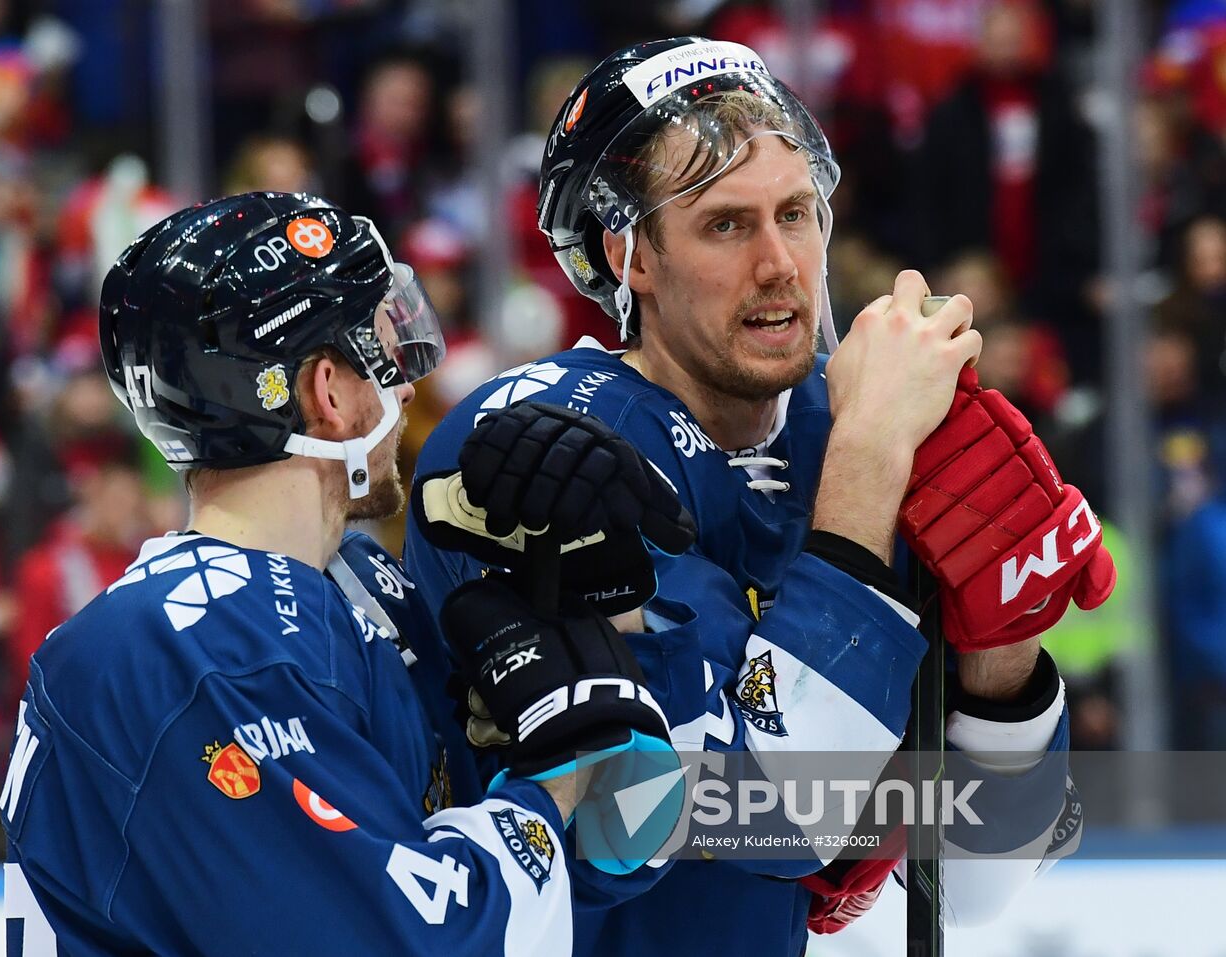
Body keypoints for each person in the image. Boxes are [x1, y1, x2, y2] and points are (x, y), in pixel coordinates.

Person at [406, 38, 1110, 955]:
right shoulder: (542, 445)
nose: (781, 263)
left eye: (796, 213)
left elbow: (972, 887)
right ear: (629, 254)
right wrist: (867, 461)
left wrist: (1002, 655)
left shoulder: (851, 419)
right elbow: (777, 811)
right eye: (727, 225)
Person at [0, 192, 683, 955]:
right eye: (383, 353)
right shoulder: (184, 651)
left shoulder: (359, 588)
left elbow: (616, 848)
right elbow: (415, 942)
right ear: (326, 392)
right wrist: (549, 794)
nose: (407, 387)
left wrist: (612, 672)